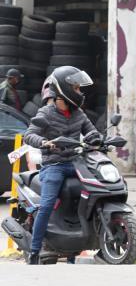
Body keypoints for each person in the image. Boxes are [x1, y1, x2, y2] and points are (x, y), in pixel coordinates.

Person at [22, 66, 100, 264]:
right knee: (47, 205)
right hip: (54, 165)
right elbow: (29, 135)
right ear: (64, 89)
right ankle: (34, 250)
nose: (79, 92)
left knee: (93, 196)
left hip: (76, 163)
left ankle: (81, 245)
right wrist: (44, 142)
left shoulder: (78, 113)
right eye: (75, 88)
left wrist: (97, 139)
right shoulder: (46, 112)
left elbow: (92, 132)